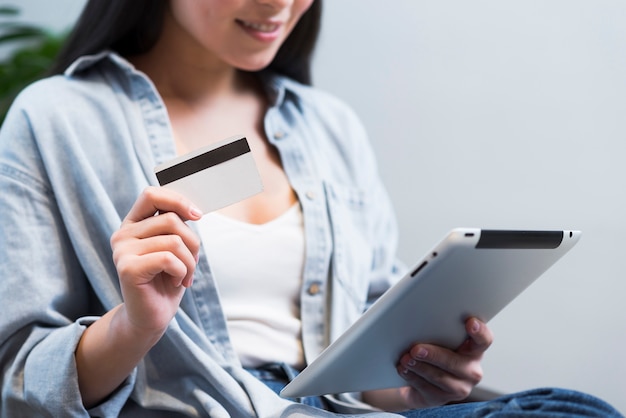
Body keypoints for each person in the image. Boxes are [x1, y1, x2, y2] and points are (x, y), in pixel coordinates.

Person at [0, 0, 622, 417]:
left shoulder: (328, 127)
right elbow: (18, 384)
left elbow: (361, 371)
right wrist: (133, 327)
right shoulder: (58, 118)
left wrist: (416, 380)